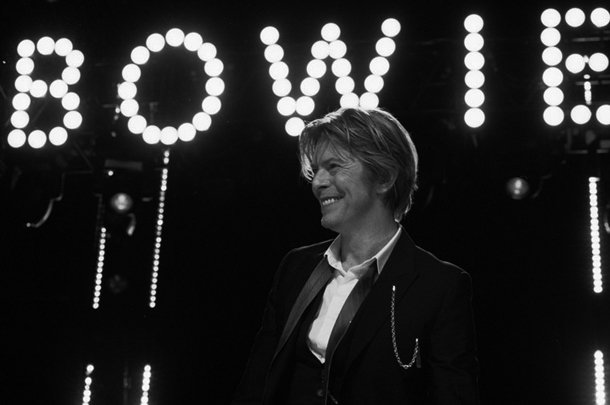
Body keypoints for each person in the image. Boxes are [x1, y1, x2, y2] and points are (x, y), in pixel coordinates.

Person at [232, 107, 479, 404]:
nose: (317, 182)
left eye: (334, 166)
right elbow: (256, 385)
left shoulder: (439, 286)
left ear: (384, 177)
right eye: (315, 170)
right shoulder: (297, 267)